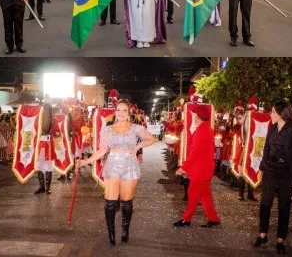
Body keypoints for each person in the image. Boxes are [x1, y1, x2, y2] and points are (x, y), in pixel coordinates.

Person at [77, 100, 157, 245]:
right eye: (118, 110)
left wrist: (137, 146)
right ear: (115, 112)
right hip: (112, 165)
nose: (120, 113)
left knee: (126, 202)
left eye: (124, 110)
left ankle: (125, 230)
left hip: (130, 165)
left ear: (129, 113)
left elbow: (151, 139)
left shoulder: (135, 128)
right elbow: (102, 150)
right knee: (110, 201)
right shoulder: (107, 129)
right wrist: (86, 162)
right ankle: (111, 233)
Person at [253, 100, 292, 254]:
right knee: (265, 203)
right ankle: (263, 235)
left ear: (282, 114)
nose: (271, 114)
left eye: (273, 112)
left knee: (284, 206)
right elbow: (267, 149)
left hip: (287, 172)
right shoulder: (273, 128)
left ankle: (281, 239)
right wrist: (261, 168)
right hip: (270, 171)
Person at [174, 103, 221, 228]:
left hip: (200, 171)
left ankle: (186, 219)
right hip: (204, 169)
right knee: (205, 196)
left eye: (194, 114)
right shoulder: (206, 129)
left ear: (198, 116)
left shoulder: (201, 132)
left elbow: (194, 153)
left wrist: (183, 168)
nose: (193, 116)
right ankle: (213, 218)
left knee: (193, 194)